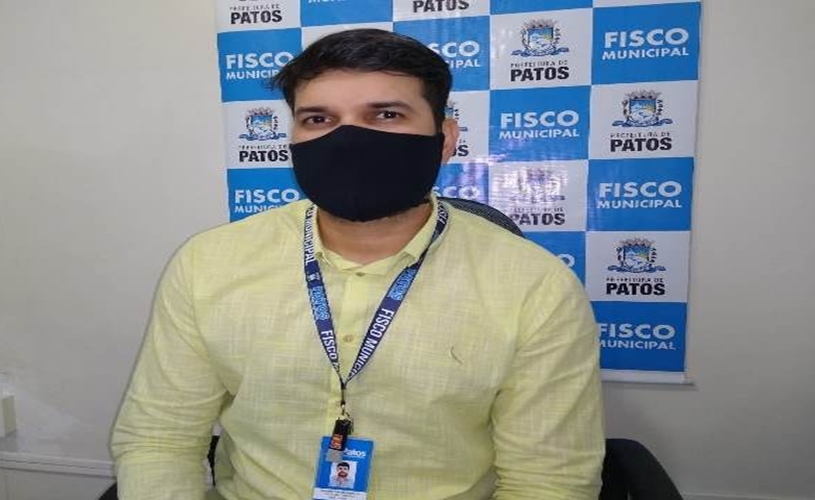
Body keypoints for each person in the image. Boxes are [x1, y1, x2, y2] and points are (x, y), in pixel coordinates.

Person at [111, 28, 604, 500]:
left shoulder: (535, 285)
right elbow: (160, 439)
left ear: (445, 138)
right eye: (318, 119)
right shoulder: (209, 264)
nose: (348, 140)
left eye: (386, 115)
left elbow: (548, 480)